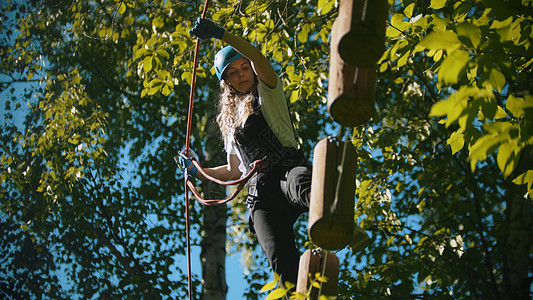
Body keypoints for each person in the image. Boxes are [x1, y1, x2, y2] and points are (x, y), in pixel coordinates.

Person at [180, 17, 312, 286]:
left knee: (302, 185)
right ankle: (299, 290)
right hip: (261, 193)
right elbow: (231, 170)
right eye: (233, 72)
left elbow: (257, 56)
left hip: (287, 169)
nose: (241, 74)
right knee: (277, 254)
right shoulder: (230, 125)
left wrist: (220, 34)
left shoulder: (268, 91)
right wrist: (197, 170)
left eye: (244, 68)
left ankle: (332, 218)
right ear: (226, 81)